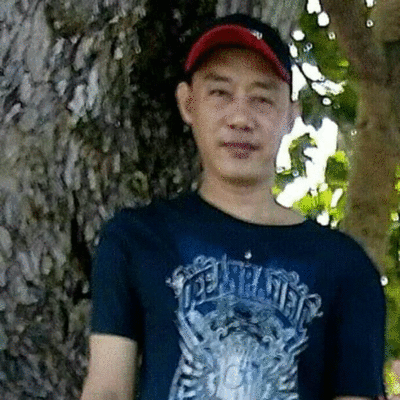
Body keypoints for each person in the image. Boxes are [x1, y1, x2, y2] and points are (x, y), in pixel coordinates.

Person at [80, 13, 387, 400]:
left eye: (262, 99)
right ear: (187, 103)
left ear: (291, 116)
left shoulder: (346, 267)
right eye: (220, 93)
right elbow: (107, 389)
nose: (240, 118)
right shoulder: (136, 239)